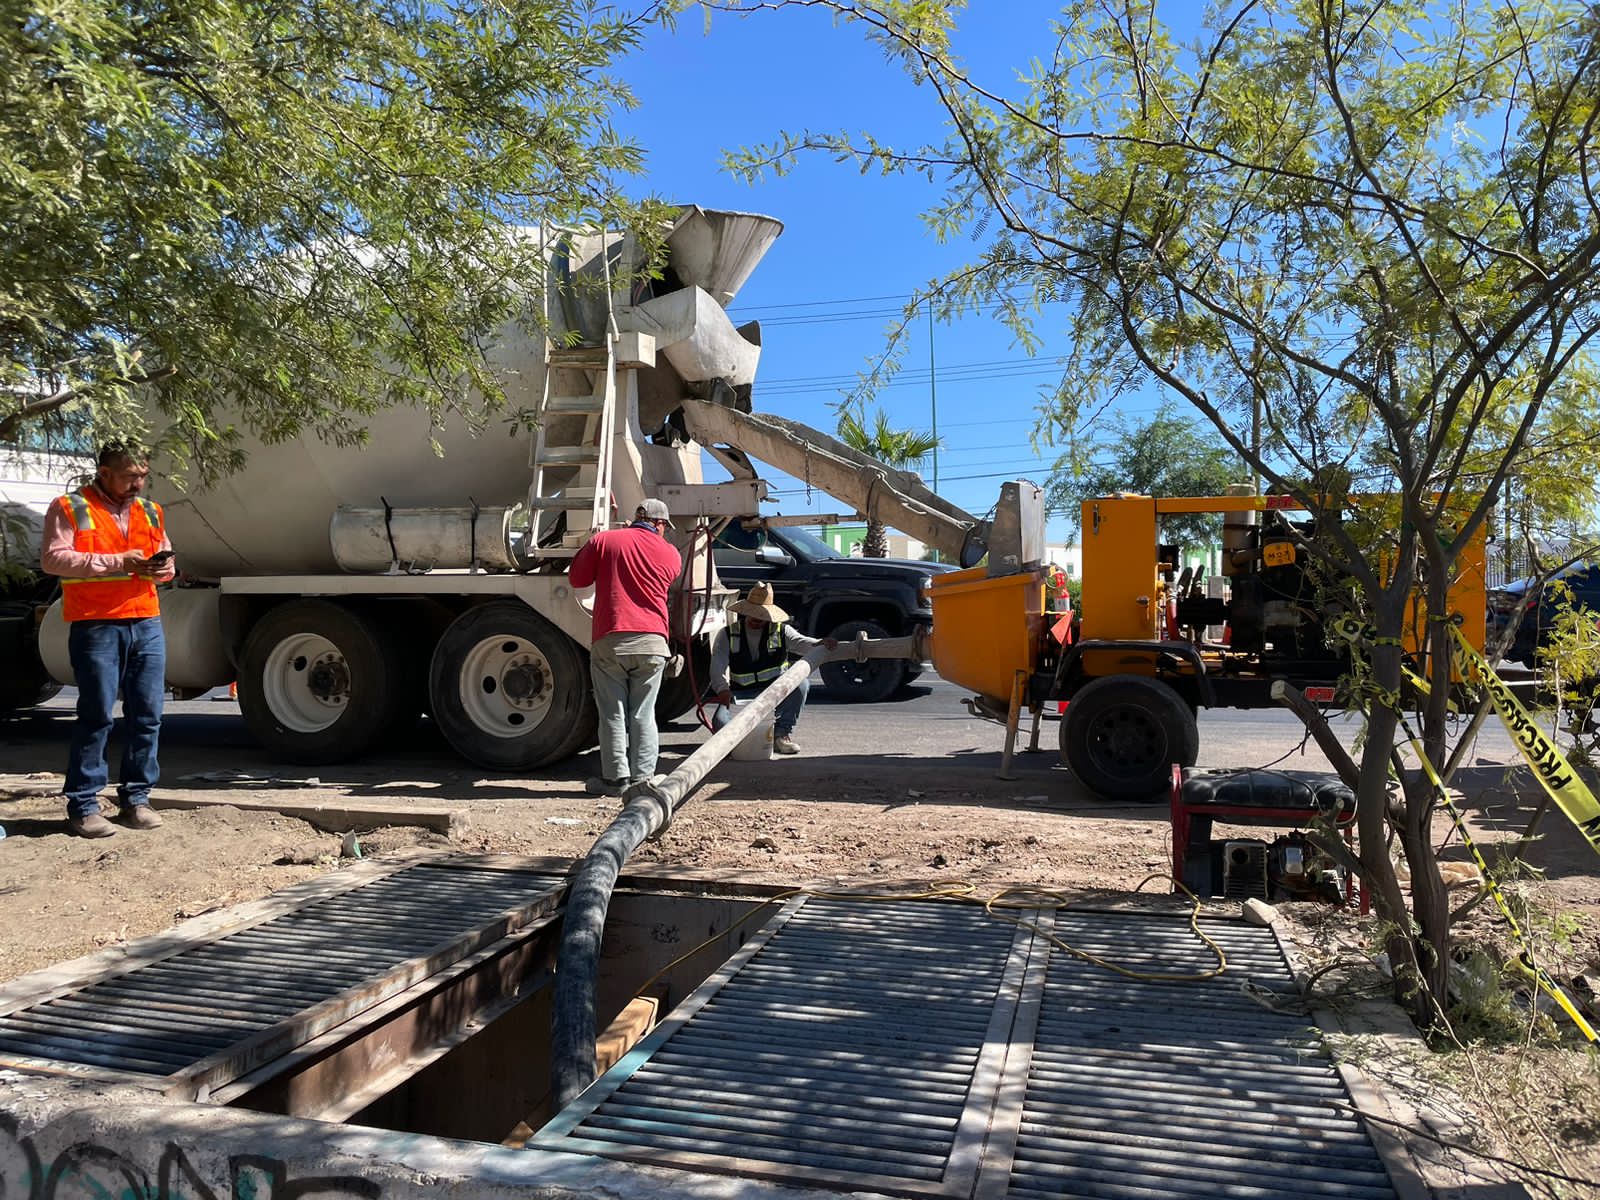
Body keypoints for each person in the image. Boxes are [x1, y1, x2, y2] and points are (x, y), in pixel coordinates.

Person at [39, 442, 176, 838]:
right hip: (96, 623)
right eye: (130, 475)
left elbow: (165, 560)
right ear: (104, 472)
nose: (138, 483)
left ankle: (137, 799)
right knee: (97, 713)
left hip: (145, 620)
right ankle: (84, 804)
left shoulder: (150, 510)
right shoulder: (69, 506)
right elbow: (53, 559)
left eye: (143, 475)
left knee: (147, 714)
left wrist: (162, 568)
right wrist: (118, 561)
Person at [568, 498, 683, 795]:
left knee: (612, 713)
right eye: (663, 527)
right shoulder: (670, 554)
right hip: (653, 641)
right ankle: (643, 779)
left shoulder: (605, 541)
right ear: (658, 523)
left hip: (612, 639)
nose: (664, 532)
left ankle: (615, 780)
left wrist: (602, 540)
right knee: (644, 713)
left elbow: (578, 579)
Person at [709, 582, 836, 756]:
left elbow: (802, 643)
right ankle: (738, 744)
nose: (756, 620)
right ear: (745, 612)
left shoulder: (781, 631)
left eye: (761, 616)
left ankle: (781, 735)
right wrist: (723, 691)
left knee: (801, 684)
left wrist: (819, 643)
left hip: (774, 693)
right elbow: (717, 666)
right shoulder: (728, 634)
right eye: (753, 615)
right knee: (721, 723)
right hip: (741, 696)